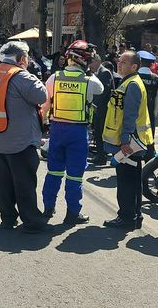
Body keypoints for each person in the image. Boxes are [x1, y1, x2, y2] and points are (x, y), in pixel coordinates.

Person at [0, 41, 50, 233]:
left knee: (3, 183)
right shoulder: (21, 75)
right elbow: (41, 96)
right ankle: (32, 222)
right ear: (21, 58)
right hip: (19, 141)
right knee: (24, 183)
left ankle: (8, 218)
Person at [42, 40, 103, 225]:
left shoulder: (54, 78)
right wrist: (89, 72)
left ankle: (48, 208)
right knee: (75, 175)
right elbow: (100, 89)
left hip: (57, 130)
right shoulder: (90, 81)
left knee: (54, 172)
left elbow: (45, 105)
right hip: (78, 132)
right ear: (83, 60)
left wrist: (43, 124)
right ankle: (72, 213)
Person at [102, 50, 153, 230]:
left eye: (124, 62)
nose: (119, 63)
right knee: (132, 180)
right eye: (119, 60)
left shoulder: (132, 85)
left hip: (129, 142)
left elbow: (129, 116)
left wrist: (124, 141)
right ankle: (134, 216)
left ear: (134, 67)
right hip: (132, 140)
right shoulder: (129, 82)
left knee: (126, 182)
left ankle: (126, 217)